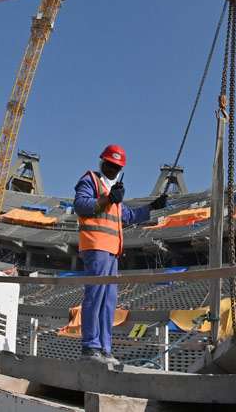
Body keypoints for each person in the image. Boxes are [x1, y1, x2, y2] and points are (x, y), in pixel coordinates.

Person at [73, 144, 168, 364]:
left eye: (116, 167)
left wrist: (153, 206)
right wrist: (108, 200)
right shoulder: (91, 181)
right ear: (102, 162)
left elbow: (129, 216)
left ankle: (105, 349)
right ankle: (90, 347)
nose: (112, 169)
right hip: (96, 246)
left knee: (108, 301)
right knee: (95, 297)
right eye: (110, 165)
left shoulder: (115, 193)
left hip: (112, 251)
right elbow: (81, 205)